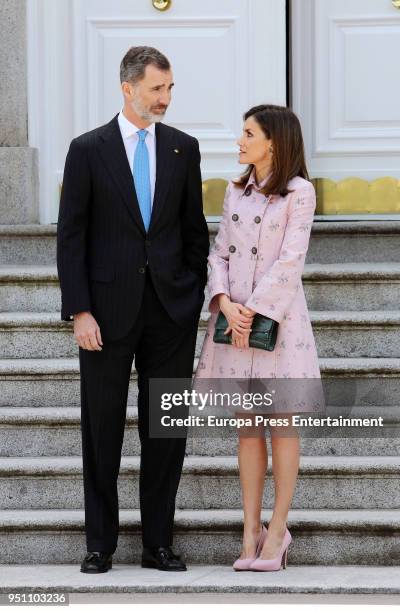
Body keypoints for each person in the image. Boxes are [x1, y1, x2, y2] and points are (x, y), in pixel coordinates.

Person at [57, 46, 209, 573]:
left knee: (165, 431)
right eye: (156, 90)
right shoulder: (87, 149)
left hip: (170, 315)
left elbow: (195, 231)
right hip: (104, 314)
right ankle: (100, 543)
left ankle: (157, 543)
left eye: (169, 89)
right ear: (128, 89)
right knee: (101, 429)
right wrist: (79, 310)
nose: (165, 99)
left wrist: (191, 295)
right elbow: (71, 236)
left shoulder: (182, 149)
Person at [194, 104, 321, 571]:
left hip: (279, 326)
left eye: (248, 133)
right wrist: (225, 300)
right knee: (247, 428)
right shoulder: (235, 194)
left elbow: (292, 259)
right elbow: (218, 252)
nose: (239, 142)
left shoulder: (300, 193)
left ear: (273, 141)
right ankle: (250, 532)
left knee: (283, 425)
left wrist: (255, 308)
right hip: (235, 326)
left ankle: (278, 530)